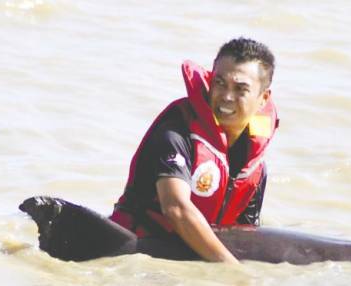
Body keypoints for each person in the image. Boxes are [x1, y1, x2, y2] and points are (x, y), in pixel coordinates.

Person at [109, 37, 278, 264]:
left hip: (190, 264)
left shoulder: (255, 167)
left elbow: (245, 237)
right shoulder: (176, 133)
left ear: (263, 98)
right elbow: (176, 209)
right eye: (219, 83)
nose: (226, 96)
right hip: (131, 256)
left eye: (240, 89)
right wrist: (232, 270)